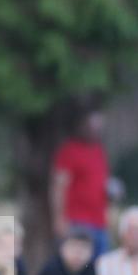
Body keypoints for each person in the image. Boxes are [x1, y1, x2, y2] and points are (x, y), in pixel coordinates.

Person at [51, 105, 111, 255]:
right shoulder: (69, 150)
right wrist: (59, 218)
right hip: (77, 221)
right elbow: (59, 186)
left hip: (100, 222)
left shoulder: (99, 150)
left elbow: (101, 184)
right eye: (92, 125)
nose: (96, 129)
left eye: (99, 125)